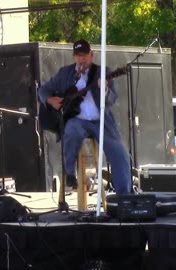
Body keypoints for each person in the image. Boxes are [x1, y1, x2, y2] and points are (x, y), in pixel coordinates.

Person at [38, 39, 131, 195]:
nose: (81, 59)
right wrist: (49, 100)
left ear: (91, 55)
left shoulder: (103, 72)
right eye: (77, 56)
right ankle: (69, 174)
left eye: (84, 56)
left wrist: (105, 90)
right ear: (74, 57)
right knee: (71, 130)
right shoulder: (65, 73)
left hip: (101, 121)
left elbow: (112, 100)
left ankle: (125, 195)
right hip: (78, 120)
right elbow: (43, 90)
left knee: (119, 152)